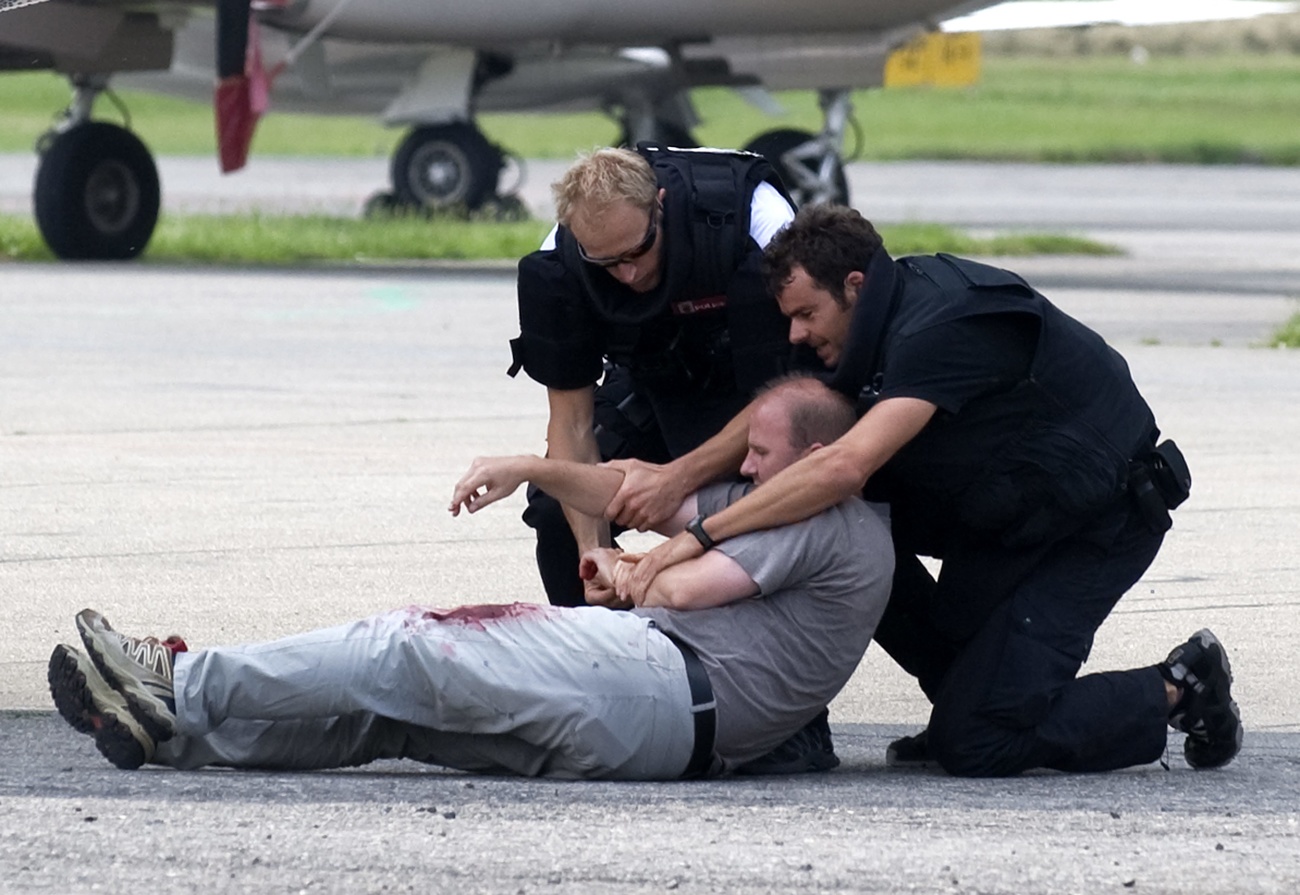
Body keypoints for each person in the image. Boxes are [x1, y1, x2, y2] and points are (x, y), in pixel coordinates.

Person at [606, 204, 1242, 778]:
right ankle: (979, 701)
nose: (795, 335)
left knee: (977, 740)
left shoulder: (941, 326)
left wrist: (694, 537)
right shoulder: (871, 325)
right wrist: (679, 475)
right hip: (1009, 523)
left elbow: (844, 466)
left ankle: (1181, 686)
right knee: (844, 550)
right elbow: (789, 408)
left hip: (1097, 526)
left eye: (806, 314)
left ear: (854, 287)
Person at [48, 377, 893, 780]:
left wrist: (635, 569)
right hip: (661, 721)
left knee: (410, 647)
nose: (744, 465)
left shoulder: (825, 519)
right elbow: (645, 487)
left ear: (815, 457)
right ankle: (169, 734)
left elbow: (680, 592)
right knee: (391, 715)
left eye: (760, 454)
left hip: (663, 684)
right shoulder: (781, 497)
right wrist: (534, 465)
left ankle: (178, 682)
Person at [508, 144, 811, 609]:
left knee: (775, 505)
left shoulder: (759, 221)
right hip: (654, 378)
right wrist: (594, 555)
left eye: (638, 250)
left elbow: (793, 394)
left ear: (660, 205)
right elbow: (570, 423)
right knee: (555, 511)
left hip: (762, 384)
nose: (627, 274)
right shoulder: (562, 260)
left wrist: (676, 479)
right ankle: (592, 664)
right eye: (607, 264)